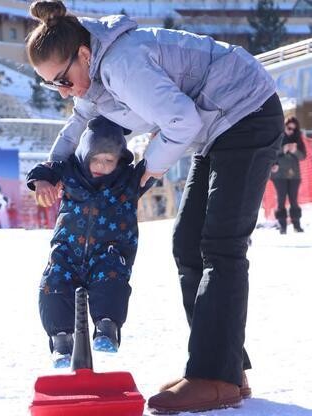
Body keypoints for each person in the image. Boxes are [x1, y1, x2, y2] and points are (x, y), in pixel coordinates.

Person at [26, 1, 284, 411]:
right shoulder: (95, 75)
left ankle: (216, 375)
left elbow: (181, 120)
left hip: (245, 112)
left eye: (62, 78)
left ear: (85, 56)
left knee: (220, 245)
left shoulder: (122, 65)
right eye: (50, 85)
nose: (62, 90)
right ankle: (225, 369)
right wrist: (51, 167)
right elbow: (79, 122)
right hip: (218, 125)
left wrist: (149, 168)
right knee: (187, 243)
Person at [27, 116, 154, 368]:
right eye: (95, 158)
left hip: (109, 251)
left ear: (119, 160)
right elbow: (44, 168)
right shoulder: (69, 174)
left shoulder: (128, 181)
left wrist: (156, 139)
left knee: (111, 278)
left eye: (109, 160)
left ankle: (107, 327)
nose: (101, 165)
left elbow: (156, 163)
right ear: (84, 154)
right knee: (53, 282)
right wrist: (41, 181)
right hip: (67, 251)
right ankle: (61, 339)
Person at [271, 116, 307, 234]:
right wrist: (283, 149)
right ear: (284, 126)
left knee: (294, 200)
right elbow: (271, 153)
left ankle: (297, 225)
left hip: (294, 175)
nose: (291, 131)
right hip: (279, 175)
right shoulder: (278, 136)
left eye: (293, 129)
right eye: (289, 128)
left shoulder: (298, 139)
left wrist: (294, 151)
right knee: (281, 200)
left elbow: (303, 156)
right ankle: (282, 226)